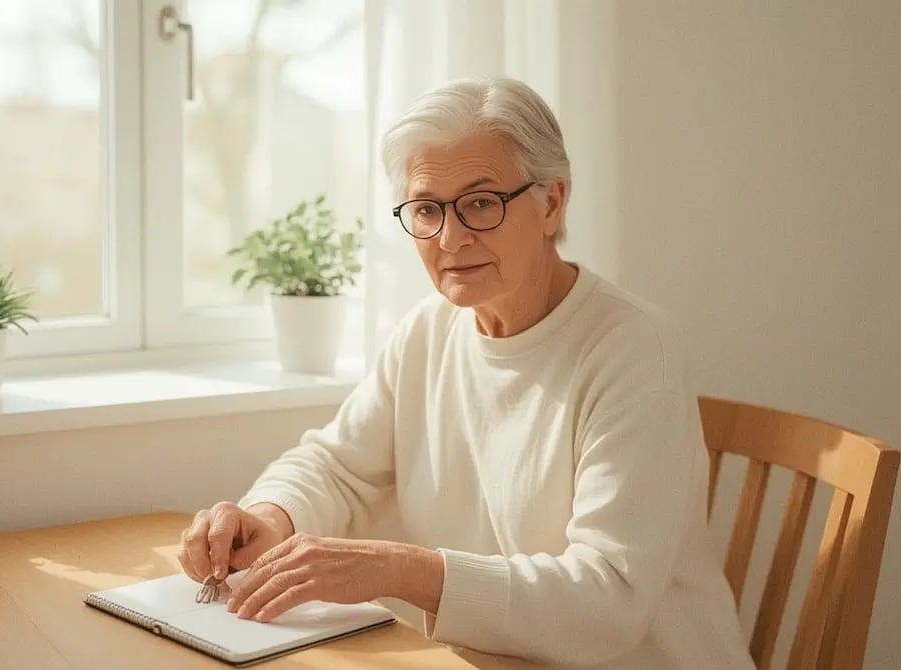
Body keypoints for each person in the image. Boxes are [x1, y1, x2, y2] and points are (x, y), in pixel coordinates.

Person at [177, 77, 754, 669]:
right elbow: (339, 466)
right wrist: (271, 516)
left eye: (481, 202)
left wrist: (403, 570)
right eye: (427, 208)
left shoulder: (633, 350)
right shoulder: (430, 331)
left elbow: (608, 602)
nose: (451, 237)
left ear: (552, 202)